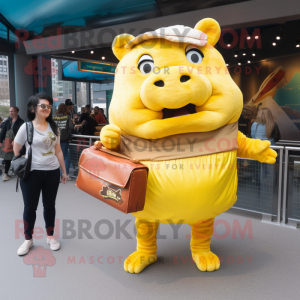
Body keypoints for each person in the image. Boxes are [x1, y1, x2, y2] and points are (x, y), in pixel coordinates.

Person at [13, 92, 67, 256]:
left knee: (49, 206)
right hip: (31, 174)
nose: (47, 109)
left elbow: (58, 151)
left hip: (51, 173)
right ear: (33, 108)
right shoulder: (26, 127)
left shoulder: (54, 128)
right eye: (43, 105)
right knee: (30, 207)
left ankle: (50, 236)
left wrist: (63, 171)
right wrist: (24, 158)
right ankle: (28, 239)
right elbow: (16, 147)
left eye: (49, 106)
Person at [0, 106, 24, 181]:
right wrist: (0, 141)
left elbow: (22, 133)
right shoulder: (7, 121)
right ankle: (6, 173)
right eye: (10, 111)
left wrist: (17, 140)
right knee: (7, 157)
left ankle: (17, 171)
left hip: (17, 142)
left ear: (16, 112)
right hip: (8, 142)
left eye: (12, 111)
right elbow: (2, 132)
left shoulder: (21, 122)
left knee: (17, 157)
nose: (10, 113)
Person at [53, 103, 74, 181]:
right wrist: (72, 121)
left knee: (58, 156)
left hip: (55, 139)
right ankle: (63, 175)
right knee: (64, 157)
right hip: (64, 139)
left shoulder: (53, 117)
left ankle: (60, 174)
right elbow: (71, 127)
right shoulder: (67, 117)